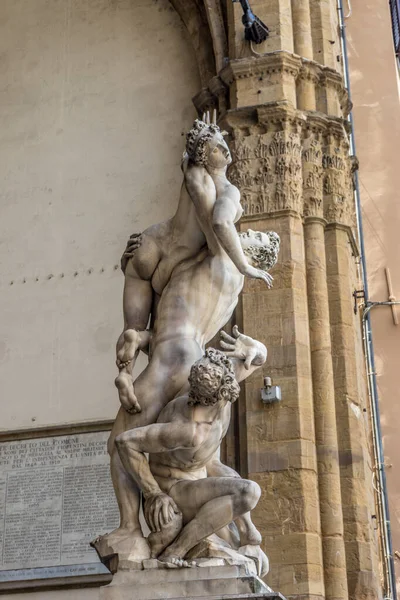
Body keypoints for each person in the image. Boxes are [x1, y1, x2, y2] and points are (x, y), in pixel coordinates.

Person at [100, 227, 279, 559]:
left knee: (118, 443)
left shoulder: (222, 256)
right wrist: (256, 347)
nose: (248, 229)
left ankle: (130, 528)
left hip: (170, 357)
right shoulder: (226, 279)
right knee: (202, 453)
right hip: (191, 353)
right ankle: (206, 540)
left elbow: (210, 209)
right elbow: (254, 360)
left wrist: (147, 253)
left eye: (256, 236)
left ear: (256, 257)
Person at [115, 116, 273, 412]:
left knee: (134, 326)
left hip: (152, 243)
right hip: (182, 261)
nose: (226, 151)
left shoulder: (191, 170)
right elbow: (220, 223)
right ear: (216, 154)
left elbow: (189, 159)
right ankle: (137, 347)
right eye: (221, 146)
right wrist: (244, 265)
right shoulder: (227, 191)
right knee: (165, 329)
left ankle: (125, 370)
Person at [115, 341, 267, 569]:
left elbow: (256, 359)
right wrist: (154, 493)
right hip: (175, 487)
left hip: (201, 470)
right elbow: (124, 442)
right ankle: (176, 550)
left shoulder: (222, 377)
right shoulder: (187, 430)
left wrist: (256, 349)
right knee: (249, 492)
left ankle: (247, 536)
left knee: (230, 476)